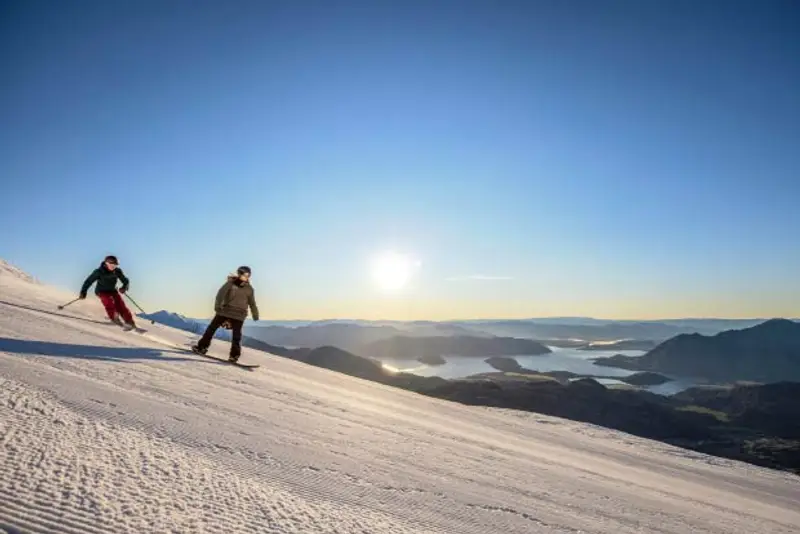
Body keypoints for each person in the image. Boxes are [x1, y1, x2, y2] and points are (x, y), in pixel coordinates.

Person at [192, 266, 259, 362]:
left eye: (246, 274)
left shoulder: (249, 288)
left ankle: (232, 355)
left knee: (231, 334)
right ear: (239, 274)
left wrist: (255, 313)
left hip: (238, 314)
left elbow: (252, 302)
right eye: (242, 273)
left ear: (249, 276)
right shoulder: (231, 284)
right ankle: (204, 348)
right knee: (215, 330)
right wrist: (217, 306)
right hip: (227, 311)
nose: (244, 276)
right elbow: (220, 294)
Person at [79, 255, 137, 329]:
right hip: (101, 291)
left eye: (115, 265)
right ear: (106, 263)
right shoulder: (99, 271)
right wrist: (83, 292)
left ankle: (129, 321)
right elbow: (88, 281)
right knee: (109, 302)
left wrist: (124, 287)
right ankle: (114, 318)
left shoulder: (117, 271)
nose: (113, 267)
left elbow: (126, 281)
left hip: (112, 291)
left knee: (121, 305)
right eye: (111, 265)